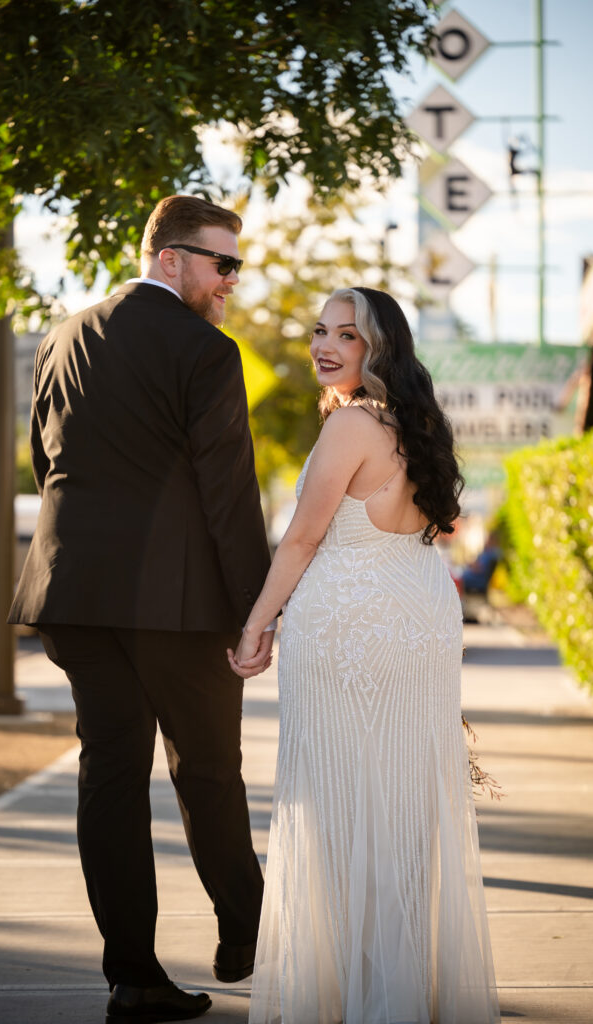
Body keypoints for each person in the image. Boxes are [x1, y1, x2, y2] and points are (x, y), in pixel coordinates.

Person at [8, 195, 274, 1022]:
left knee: (111, 775)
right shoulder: (205, 350)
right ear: (170, 258)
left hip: (74, 596)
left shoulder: (57, 339)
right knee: (206, 770)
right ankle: (250, 933)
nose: (230, 282)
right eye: (221, 264)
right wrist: (257, 610)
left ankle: (133, 977)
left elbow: (43, 459)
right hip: (179, 604)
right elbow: (227, 492)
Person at [229, 288, 500, 1024]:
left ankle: (354, 993)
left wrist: (258, 623)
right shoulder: (418, 425)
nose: (325, 344)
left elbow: (302, 539)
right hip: (420, 621)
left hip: (351, 629)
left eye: (345, 335)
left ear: (376, 350)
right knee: (405, 807)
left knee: (338, 804)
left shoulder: (351, 425)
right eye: (320, 331)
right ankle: (398, 986)